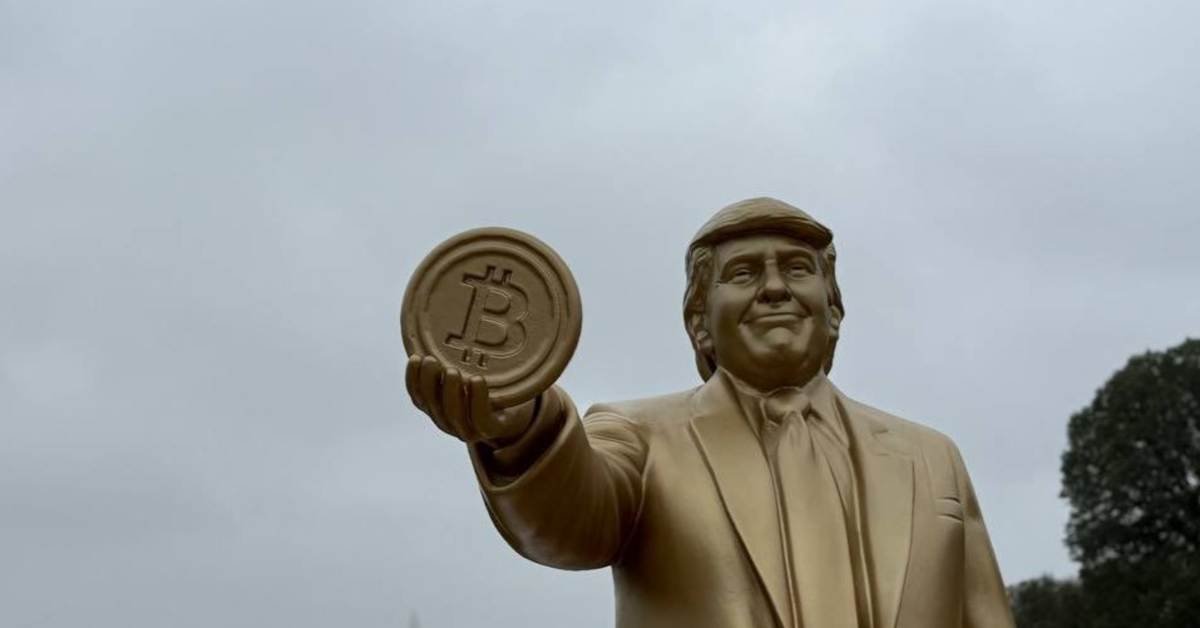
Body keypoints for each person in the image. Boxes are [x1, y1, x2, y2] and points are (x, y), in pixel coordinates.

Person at [405, 197, 1015, 628]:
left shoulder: (931, 457)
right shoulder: (638, 436)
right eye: (744, 273)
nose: (775, 288)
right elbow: (570, 524)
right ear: (700, 322)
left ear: (832, 309)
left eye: (797, 270)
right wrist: (522, 427)